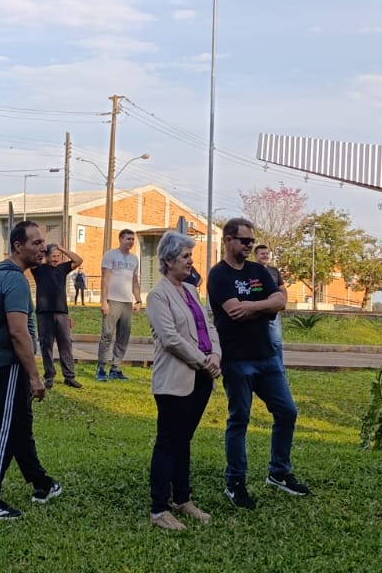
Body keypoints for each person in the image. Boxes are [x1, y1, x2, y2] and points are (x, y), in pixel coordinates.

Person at [207, 217, 309, 509]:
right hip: (236, 360)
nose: (249, 245)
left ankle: (279, 473)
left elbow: (280, 301)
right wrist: (264, 307)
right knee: (240, 418)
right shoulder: (219, 275)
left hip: (267, 357)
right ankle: (235, 482)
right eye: (244, 241)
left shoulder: (258, 270)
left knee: (287, 411)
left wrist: (252, 306)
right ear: (228, 240)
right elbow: (232, 311)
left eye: (252, 241)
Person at [0, 222, 62, 519]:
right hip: (9, 366)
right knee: (2, 430)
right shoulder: (14, 280)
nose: (43, 248)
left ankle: (42, 484)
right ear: (18, 246)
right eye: (36, 243)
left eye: (43, 242)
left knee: (19, 426)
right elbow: (18, 332)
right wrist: (35, 376)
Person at [144, 231, 220, 530]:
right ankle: (158, 509)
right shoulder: (157, 295)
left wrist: (216, 355)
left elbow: (208, 326)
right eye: (185, 256)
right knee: (168, 442)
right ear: (167, 260)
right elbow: (170, 339)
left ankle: (182, 498)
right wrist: (203, 361)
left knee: (184, 440)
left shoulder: (190, 290)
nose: (191, 261)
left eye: (191, 256)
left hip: (201, 377)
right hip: (174, 379)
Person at [32, 240, 84, 388]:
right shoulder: (39, 269)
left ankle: (69, 376)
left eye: (57, 256)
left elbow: (78, 260)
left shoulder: (63, 268)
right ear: (47, 256)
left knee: (65, 344)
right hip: (44, 312)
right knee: (46, 345)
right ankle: (49, 376)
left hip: (61, 312)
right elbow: (32, 260)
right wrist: (42, 252)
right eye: (53, 256)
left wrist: (63, 249)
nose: (56, 259)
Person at [97, 229, 142, 381]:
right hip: (112, 300)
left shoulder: (134, 259)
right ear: (121, 239)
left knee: (123, 337)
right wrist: (104, 301)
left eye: (132, 239)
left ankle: (115, 368)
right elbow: (105, 279)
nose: (131, 242)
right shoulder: (111, 255)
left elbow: (134, 281)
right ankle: (101, 368)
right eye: (128, 239)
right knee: (107, 335)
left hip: (127, 302)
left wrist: (138, 300)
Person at [254, 243, 285, 359]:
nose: (265, 256)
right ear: (256, 256)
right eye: (262, 254)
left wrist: (283, 303)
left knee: (276, 342)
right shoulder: (250, 270)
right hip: (256, 312)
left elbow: (282, 289)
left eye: (267, 254)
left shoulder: (274, 271)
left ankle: (278, 367)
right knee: (256, 343)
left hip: (273, 312)